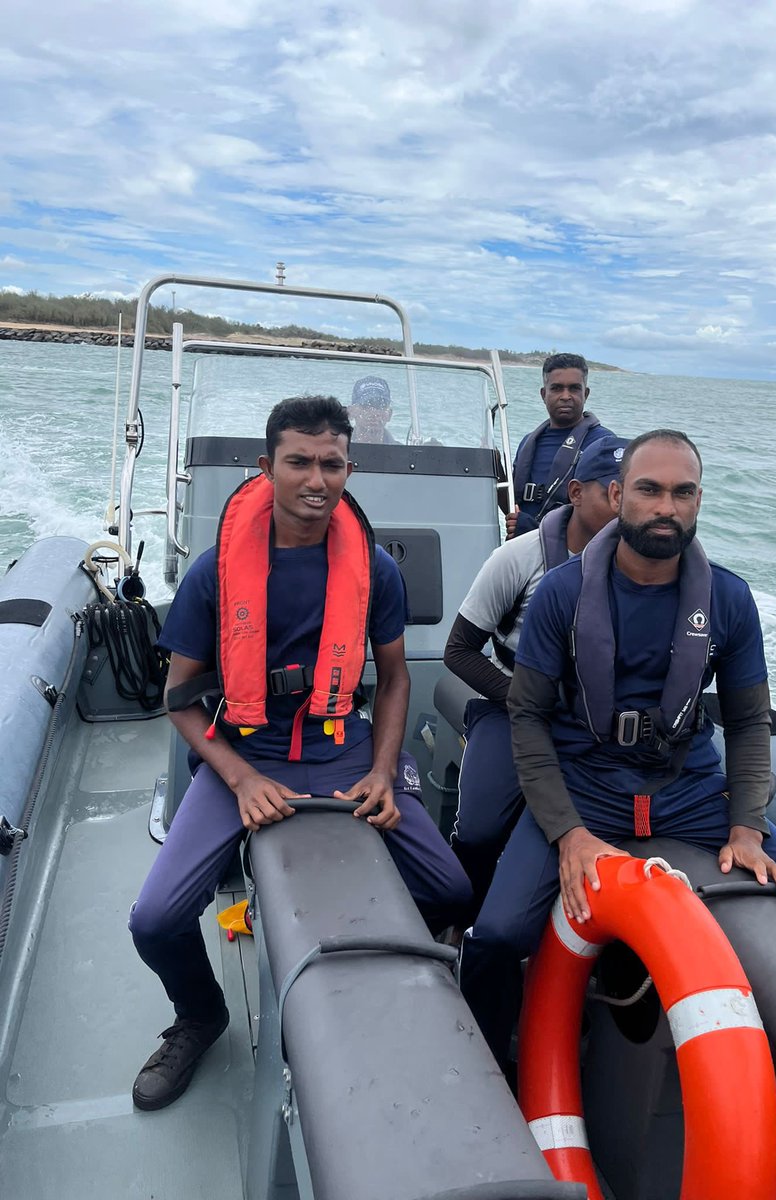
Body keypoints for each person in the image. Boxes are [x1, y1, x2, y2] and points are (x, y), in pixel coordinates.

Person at [461, 429, 776, 1066]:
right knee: (494, 937)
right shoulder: (561, 596)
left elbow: (749, 723)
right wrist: (568, 834)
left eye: (683, 493)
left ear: (699, 501)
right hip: (586, 786)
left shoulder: (729, 600)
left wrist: (747, 828)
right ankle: (491, 1063)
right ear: (619, 495)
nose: (665, 507)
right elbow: (528, 717)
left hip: (690, 792)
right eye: (649, 490)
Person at [129, 395, 472, 1111]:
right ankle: (200, 1015)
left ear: (350, 467)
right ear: (267, 467)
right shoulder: (213, 573)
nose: (316, 480)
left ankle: (382, 978)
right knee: (155, 919)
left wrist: (382, 769)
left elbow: (397, 677)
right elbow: (179, 697)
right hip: (243, 751)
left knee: (451, 888)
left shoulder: (376, 571)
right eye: (299, 463)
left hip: (340, 748)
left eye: (332, 464)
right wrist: (240, 775)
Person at [444, 436, 630, 914]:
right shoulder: (518, 559)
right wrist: (522, 701)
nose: (621, 501)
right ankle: (460, 913)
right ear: (575, 493)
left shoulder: (640, 569)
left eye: (629, 489)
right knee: (481, 827)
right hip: (512, 704)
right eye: (609, 488)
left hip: (593, 718)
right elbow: (459, 650)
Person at [507, 352, 615, 538]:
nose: (566, 396)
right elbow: (512, 505)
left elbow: (608, 515)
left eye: (574, 388)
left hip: (574, 555)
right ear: (543, 394)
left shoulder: (603, 445)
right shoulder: (528, 443)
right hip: (522, 548)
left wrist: (538, 531)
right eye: (557, 388)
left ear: (586, 393)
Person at [348, 375, 398, 444]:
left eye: (380, 406)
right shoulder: (334, 451)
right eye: (366, 406)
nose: (374, 413)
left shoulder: (405, 453)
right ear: (351, 412)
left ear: (389, 414)